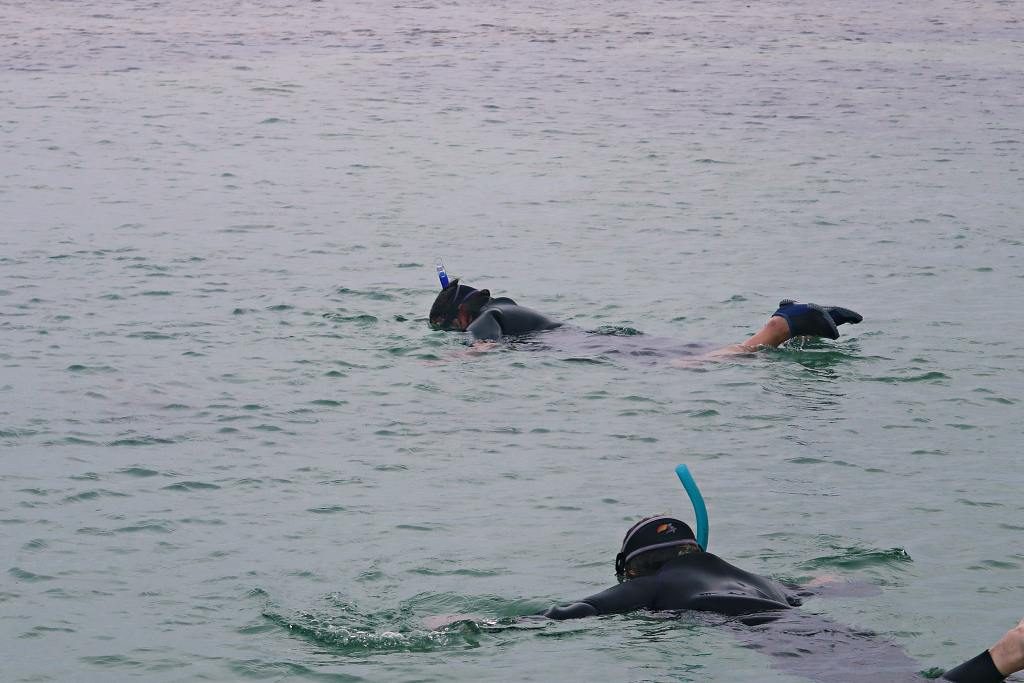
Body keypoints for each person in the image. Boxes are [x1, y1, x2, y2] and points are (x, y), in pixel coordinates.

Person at [541, 516, 1023, 682]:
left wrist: (498, 623)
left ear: (634, 566)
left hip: (774, 636)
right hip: (824, 629)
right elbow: (816, 589)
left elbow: (574, 612)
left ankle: (1003, 655)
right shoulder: (750, 575)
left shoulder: (649, 586)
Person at [427, 279, 863, 353]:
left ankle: (782, 324)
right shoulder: (509, 306)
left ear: (461, 315)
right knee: (693, 353)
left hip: (581, 345)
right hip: (590, 337)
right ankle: (796, 328)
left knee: (696, 364)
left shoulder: (486, 316)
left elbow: (479, 349)